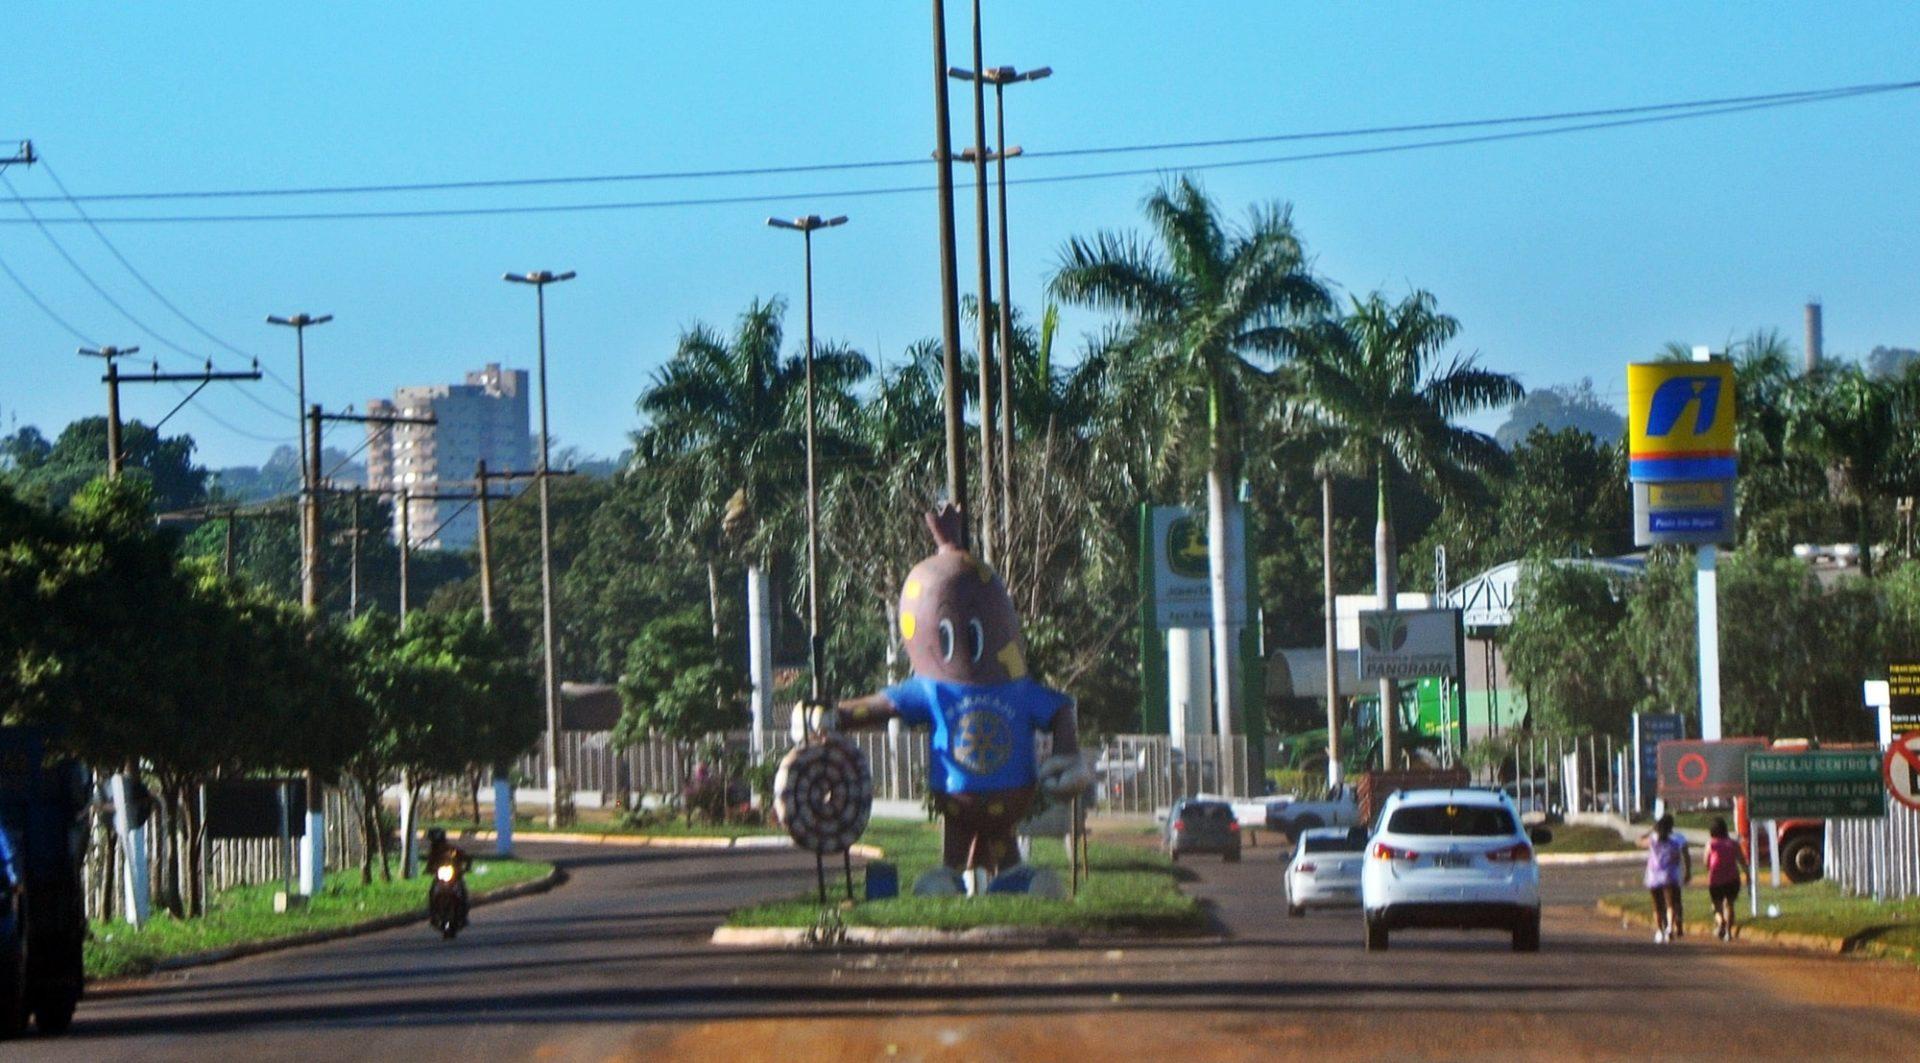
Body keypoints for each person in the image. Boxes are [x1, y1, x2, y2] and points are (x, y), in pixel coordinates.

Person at [1642, 813, 1691, 943]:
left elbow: (1639, 841)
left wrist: (1651, 829)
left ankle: (1659, 931)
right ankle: (1670, 928)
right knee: (1671, 905)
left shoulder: (1653, 838)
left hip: (1653, 876)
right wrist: (1687, 872)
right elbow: (1686, 856)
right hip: (1671, 875)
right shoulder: (1678, 838)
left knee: (1657, 906)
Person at [1705, 817, 1747, 940]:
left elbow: (1706, 861)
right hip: (1732, 878)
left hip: (1716, 879)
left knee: (1716, 906)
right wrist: (1747, 874)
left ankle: (1720, 921)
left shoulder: (1711, 844)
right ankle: (1728, 932)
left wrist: (1709, 867)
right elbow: (1742, 860)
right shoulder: (1733, 843)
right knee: (1729, 905)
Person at [423, 828, 472, 926]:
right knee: (432, 891)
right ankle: (433, 914)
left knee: (461, 889)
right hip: (440, 878)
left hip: (455, 876)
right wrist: (428, 870)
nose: (437, 844)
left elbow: (465, 857)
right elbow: (429, 866)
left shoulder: (451, 849)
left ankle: (463, 912)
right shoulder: (432, 853)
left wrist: (465, 867)